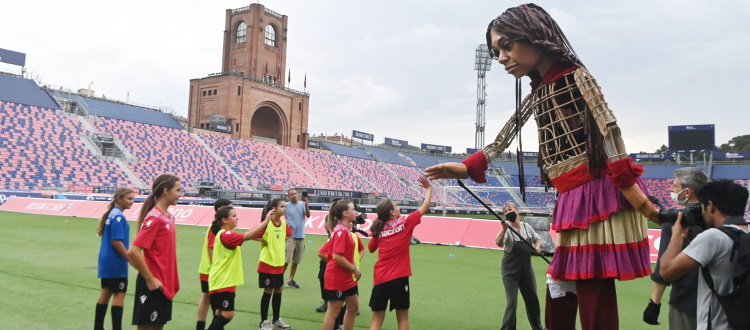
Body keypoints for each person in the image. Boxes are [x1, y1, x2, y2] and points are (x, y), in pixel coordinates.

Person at [424, 4, 658, 329]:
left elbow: (609, 129)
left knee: (591, 285)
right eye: (496, 51)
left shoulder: (577, 76)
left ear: (535, 37)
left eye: (507, 45)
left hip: (595, 192)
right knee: (560, 284)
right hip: (570, 197)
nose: (502, 57)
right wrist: (470, 166)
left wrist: (639, 199)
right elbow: (505, 135)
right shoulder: (538, 93)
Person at [660, 179, 750, 329]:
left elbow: (666, 272)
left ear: (711, 206)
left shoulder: (713, 237)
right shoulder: (743, 233)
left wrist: (677, 235)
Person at [643, 168, 706, 328]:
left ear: (687, 192)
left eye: (674, 185)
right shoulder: (718, 218)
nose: (670, 189)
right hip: (721, 303)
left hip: (685, 303)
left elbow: (663, 270)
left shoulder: (674, 222)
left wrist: (654, 304)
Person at [367, 176, 432, 330]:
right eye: (396, 206)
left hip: (380, 278)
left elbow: (371, 249)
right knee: (402, 319)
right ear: (391, 212)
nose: (398, 208)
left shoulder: (378, 228)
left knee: (376, 319)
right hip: (399, 278)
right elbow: (425, 207)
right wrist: (428, 189)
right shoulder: (405, 222)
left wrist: (376, 234)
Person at [127, 174, 182, 330]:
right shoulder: (155, 218)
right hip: (153, 283)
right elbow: (133, 252)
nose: (180, 194)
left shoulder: (169, 217)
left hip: (163, 283)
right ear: (166, 190)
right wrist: (150, 279)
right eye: (178, 190)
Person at [206, 206, 270, 330]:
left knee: (219, 313)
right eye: (234, 216)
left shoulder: (222, 234)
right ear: (224, 220)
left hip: (218, 280)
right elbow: (247, 236)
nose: (237, 218)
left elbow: (248, 235)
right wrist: (266, 222)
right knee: (228, 314)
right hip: (224, 281)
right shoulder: (227, 235)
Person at [494, 202, 543, 330]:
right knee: (512, 302)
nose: (507, 212)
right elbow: (498, 243)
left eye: (509, 209)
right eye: (504, 211)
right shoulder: (507, 228)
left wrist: (537, 248)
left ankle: (537, 327)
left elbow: (537, 239)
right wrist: (504, 229)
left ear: (517, 211)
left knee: (532, 299)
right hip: (510, 271)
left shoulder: (526, 227)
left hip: (526, 270)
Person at [94, 187, 135, 330]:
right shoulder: (118, 216)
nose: (132, 202)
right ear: (119, 199)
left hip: (106, 261)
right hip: (116, 262)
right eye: (129, 199)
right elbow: (116, 241)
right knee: (119, 293)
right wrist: (129, 258)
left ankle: (98, 327)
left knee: (106, 292)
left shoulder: (112, 214)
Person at [322, 199, 364, 330]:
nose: (355, 212)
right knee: (333, 311)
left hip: (346, 277)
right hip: (337, 277)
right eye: (353, 210)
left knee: (353, 307)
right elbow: (337, 256)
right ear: (345, 213)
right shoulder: (341, 231)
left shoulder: (344, 230)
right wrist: (354, 269)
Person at [255, 199, 293, 330]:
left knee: (279, 290)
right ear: (273, 209)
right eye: (282, 206)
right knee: (268, 291)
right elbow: (252, 234)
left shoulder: (283, 223)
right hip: (267, 263)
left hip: (278, 263)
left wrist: (278, 241)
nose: (284, 209)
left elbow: (289, 234)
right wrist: (264, 240)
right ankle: (264, 322)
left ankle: (276, 320)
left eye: (285, 207)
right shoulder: (266, 223)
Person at [196, 198, 233, 330]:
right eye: (229, 208)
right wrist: (218, 269)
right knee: (215, 302)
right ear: (220, 211)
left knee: (207, 298)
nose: (232, 211)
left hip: (208, 269)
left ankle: (201, 326)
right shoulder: (215, 228)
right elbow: (211, 249)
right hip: (211, 270)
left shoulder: (216, 226)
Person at [285, 188, 310, 289]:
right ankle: (278, 278)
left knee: (296, 260)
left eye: (295, 193)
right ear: (289, 196)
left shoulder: (302, 204)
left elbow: (308, 215)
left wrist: (307, 205)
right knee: (287, 259)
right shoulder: (286, 206)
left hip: (301, 235)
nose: (294, 195)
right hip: (290, 236)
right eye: (292, 194)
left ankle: (290, 279)